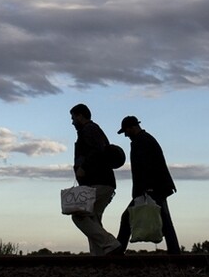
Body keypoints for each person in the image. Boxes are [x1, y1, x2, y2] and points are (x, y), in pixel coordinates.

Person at [114, 116, 181, 255]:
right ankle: (175, 252)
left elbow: (146, 167)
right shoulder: (145, 139)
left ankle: (118, 252)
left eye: (126, 131)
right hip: (156, 188)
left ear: (132, 127)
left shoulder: (142, 141)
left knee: (126, 217)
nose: (126, 135)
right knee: (165, 220)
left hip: (151, 189)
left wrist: (146, 189)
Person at [69, 103, 122, 255]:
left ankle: (110, 244)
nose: (72, 122)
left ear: (80, 116)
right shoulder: (94, 130)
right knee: (93, 220)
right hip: (105, 183)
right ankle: (99, 255)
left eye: (73, 118)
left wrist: (83, 167)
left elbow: (96, 151)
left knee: (78, 215)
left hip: (97, 182)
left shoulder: (89, 130)